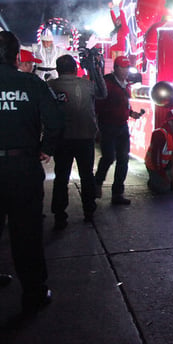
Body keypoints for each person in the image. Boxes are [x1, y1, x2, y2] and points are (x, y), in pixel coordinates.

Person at [0, 31, 63, 318]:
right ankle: (34, 293)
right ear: (17, 56)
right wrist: (46, 148)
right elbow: (55, 120)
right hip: (22, 168)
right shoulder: (31, 83)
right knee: (27, 234)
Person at [47, 53, 107, 229]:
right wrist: (95, 70)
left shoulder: (50, 86)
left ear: (58, 70)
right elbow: (103, 93)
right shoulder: (86, 85)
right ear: (75, 68)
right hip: (85, 137)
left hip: (62, 139)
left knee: (61, 178)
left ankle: (59, 215)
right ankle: (89, 211)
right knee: (86, 175)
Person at [94, 56, 144, 205]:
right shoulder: (107, 83)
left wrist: (131, 113)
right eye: (123, 67)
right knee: (109, 157)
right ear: (115, 68)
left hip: (122, 125)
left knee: (123, 159)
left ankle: (117, 193)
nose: (125, 71)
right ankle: (97, 183)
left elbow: (124, 104)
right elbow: (98, 105)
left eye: (127, 67)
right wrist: (96, 127)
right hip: (108, 126)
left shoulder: (126, 85)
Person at [145, 108, 173, 195]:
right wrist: (161, 173)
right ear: (170, 122)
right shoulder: (160, 134)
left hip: (167, 165)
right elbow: (156, 157)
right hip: (155, 167)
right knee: (163, 189)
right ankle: (153, 181)